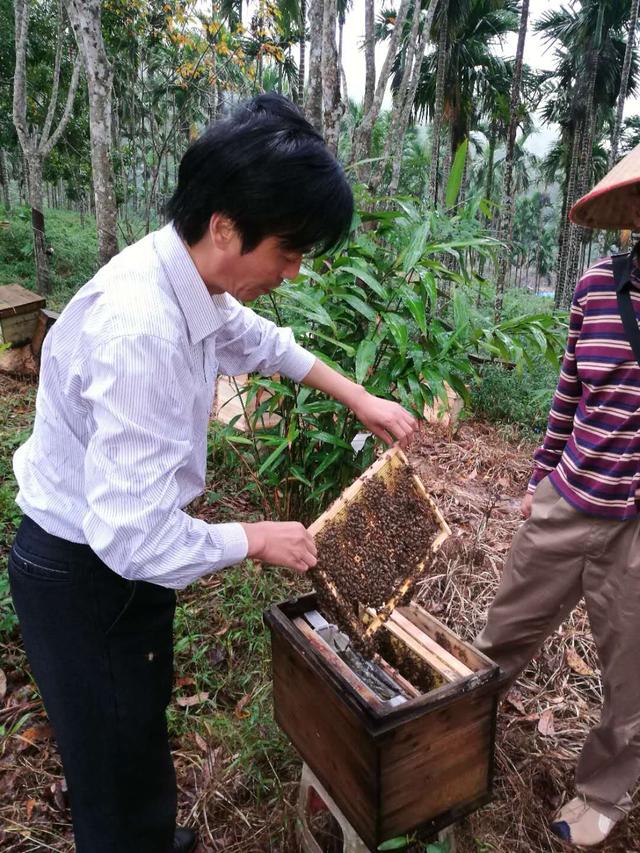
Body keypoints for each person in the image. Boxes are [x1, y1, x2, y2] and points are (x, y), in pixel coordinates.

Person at [8, 94, 417, 853]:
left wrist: (360, 396)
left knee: (137, 726)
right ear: (226, 224)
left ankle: (151, 833)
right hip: (85, 575)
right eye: (288, 252)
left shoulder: (191, 275)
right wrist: (255, 537)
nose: (292, 273)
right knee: (112, 767)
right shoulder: (143, 332)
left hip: (109, 567)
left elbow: (256, 339)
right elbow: (133, 538)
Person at [476, 144, 640, 848]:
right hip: (567, 501)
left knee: (632, 679)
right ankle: (453, 737)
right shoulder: (597, 289)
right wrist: (539, 478)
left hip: (636, 532)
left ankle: (604, 788)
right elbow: (569, 392)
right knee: (499, 636)